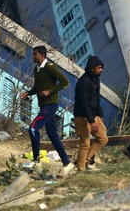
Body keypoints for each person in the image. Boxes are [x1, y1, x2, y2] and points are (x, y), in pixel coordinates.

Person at [20, 45, 75, 177]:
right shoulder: (36, 70)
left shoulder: (50, 67)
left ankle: (36, 161)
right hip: (43, 105)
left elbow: (65, 82)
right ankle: (67, 163)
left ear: (42, 55)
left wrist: (50, 91)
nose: (33, 57)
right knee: (53, 135)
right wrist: (28, 93)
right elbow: (38, 87)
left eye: (35, 54)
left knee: (33, 128)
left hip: (50, 105)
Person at [73, 56, 108, 171]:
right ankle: (81, 169)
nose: (101, 70)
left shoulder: (95, 80)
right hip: (82, 117)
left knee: (103, 139)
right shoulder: (84, 82)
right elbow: (84, 104)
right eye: (99, 68)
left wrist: (100, 114)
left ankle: (86, 159)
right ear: (92, 68)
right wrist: (92, 121)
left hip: (94, 115)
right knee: (84, 144)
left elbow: (96, 98)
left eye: (102, 68)